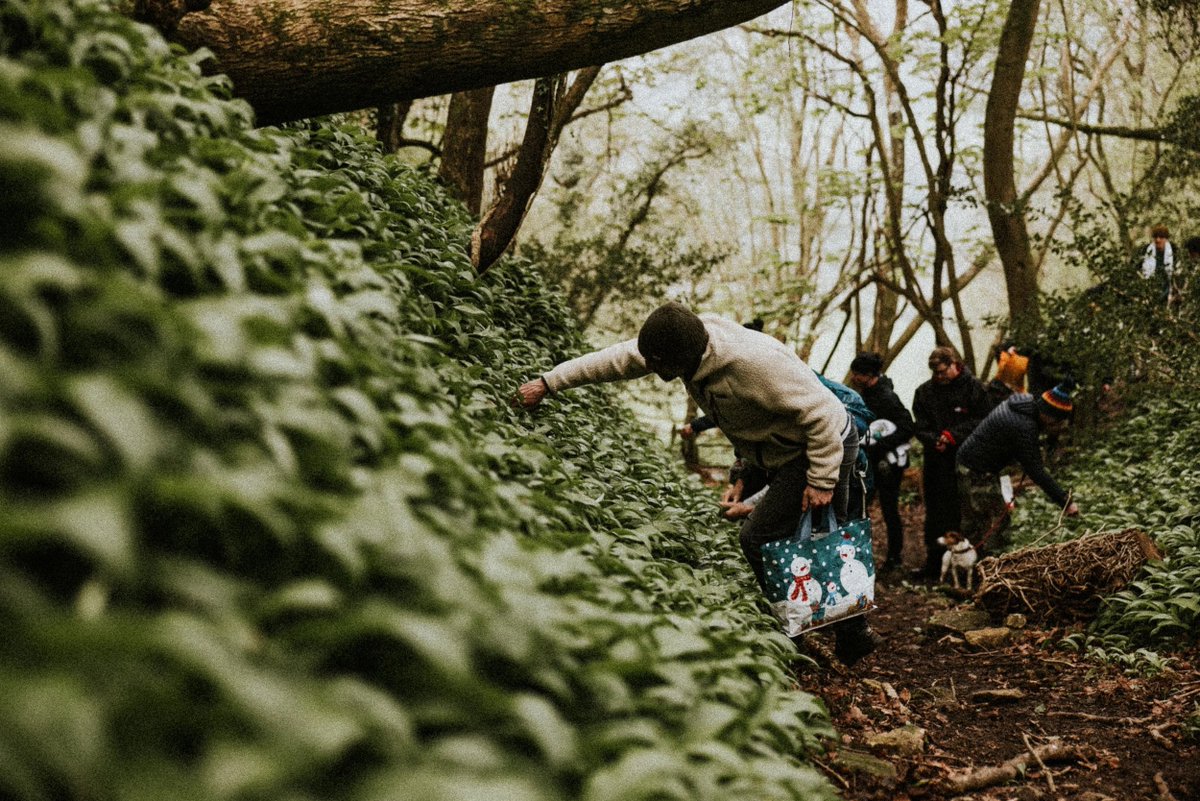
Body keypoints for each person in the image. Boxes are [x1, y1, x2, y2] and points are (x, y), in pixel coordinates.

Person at [515, 301, 880, 664]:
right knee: (798, 535)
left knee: (782, 536)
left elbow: (824, 415)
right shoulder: (678, 343)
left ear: (681, 358)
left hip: (828, 442)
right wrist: (548, 383)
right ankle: (836, 628)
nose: (653, 372)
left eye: (658, 366)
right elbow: (614, 361)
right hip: (785, 448)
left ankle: (808, 631)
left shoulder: (752, 364)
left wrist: (821, 480)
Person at [956, 382, 1080, 553]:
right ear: (1049, 415)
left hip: (970, 464)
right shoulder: (1024, 426)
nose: (1057, 426)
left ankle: (968, 568)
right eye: (1057, 422)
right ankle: (989, 568)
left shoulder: (1024, 403)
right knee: (995, 524)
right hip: (976, 471)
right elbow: (1036, 471)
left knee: (975, 521)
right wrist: (1066, 502)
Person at [911, 346, 991, 580]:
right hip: (936, 462)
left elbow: (984, 420)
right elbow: (920, 426)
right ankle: (934, 563)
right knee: (935, 513)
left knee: (965, 512)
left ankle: (971, 566)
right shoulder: (924, 392)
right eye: (935, 373)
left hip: (966, 460)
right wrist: (934, 439)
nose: (940, 377)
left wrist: (954, 436)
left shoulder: (974, 388)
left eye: (944, 372)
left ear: (955, 365)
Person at [848, 352, 915, 575]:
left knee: (889, 509)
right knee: (862, 508)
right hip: (871, 463)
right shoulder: (864, 395)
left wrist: (881, 445)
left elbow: (907, 427)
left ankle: (894, 557)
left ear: (868, 375)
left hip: (888, 464)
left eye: (856, 373)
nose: (852, 377)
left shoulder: (887, 397)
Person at [1134, 224, 1177, 305]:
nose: (1158, 240)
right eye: (1155, 237)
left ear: (1166, 239)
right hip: (1151, 286)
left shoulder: (1174, 251)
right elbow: (1135, 267)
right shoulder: (1145, 250)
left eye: (1161, 237)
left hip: (1167, 287)